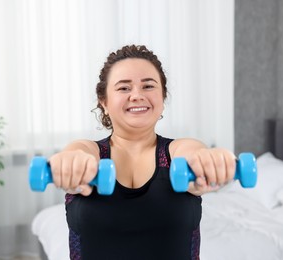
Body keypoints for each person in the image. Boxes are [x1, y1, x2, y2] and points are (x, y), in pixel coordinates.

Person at [49, 45, 236, 260]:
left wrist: (207, 161)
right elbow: (78, 152)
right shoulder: (88, 151)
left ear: (162, 98)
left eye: (148, 86)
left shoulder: (178, 151)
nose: (137, 95)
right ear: (104, 101)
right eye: (123, 88)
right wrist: (71, 162)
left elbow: (193, 154)